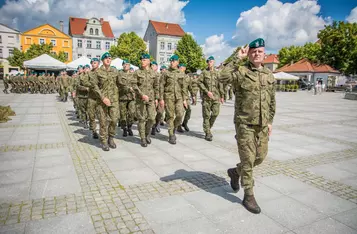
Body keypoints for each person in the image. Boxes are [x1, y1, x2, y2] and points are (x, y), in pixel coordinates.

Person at [219, 38, 276, 214]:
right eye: (253, 51)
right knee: (248, 160)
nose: (257, 54)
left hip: (262, 125)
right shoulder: (241, 72)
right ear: (249, 54)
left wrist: (270, 121)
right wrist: (237, 58)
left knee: (260, 157)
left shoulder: (269, 75)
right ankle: (249, 195)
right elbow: (221, 76)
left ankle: (236, 172)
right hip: (244, 124)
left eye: (260, 51)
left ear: (264, 53)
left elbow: (272, 100)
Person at [89, 52, 121, 151]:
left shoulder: (115, 71)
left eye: (110, 58)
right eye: (106, 58)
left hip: (114, 100)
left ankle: (111, 138)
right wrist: (103, 98)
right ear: (102, 60)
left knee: (114, 120)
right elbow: (94, 86)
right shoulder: (97, 72)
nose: (108, 60)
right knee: (103, 122)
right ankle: (103, 141)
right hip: (102, 101)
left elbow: (120, 83)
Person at [159, 55, 188, 144]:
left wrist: (185, 99)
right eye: (171, 61)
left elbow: (184, 87)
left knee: (180, 114)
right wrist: (161, 99)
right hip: (168, 97)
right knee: (170, 116)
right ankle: (171, 134)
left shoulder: (181, 73)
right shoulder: (166, 73)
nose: (172, 62)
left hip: (179, 97)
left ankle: (174, 127)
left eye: (174, 61)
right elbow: (161, 86)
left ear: (177, 62)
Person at [133, 54, 159, 147]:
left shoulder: (154, 73)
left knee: (152, 118)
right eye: (142, 60)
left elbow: (156, 86)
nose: (142, 61)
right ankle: (143, 138)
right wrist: (141, 95)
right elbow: (134, 85)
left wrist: (156, 98)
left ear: (148, 61)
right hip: (140, 99)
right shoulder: (137, 72)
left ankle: (147, 133)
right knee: (141, 119)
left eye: (144, 60)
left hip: (151, 99)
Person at [198, 56, 224, 141]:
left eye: (211, 61)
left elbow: (220, 85)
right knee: (206, 115)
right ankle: (207, 133)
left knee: (215, 113)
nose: (210, 63)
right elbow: (199, 82)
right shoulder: (204, 72)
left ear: (214, 62)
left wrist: (222, 96)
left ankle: (208, 127)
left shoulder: (217, 73)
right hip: (206, 97)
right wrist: (206, 91)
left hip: (216, 97)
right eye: (208, 62)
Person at [118, 59, 136, 137]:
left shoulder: (133, 75)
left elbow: (135, 84)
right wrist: (129, 88)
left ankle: (129, 126)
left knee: (132, 113)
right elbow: (120, 84)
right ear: (122, 65)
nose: (126, 66)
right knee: (122, 115)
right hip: (122, 97)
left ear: (129, 66)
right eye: (124, 64)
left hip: (131, 97)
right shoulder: (119, 74)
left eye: (127, 64)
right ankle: (124, 128)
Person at [84, 58, 100, 139]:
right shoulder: (89, 73)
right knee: (91, 115)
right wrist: (92, 85)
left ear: (98, 63)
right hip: (91, 97)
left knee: (101, 116)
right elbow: (84, 82)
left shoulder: (102, 72)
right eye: (92, 63)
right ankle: (94, 131)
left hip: (100, 98)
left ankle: (103, 131)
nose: (93, 64)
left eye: (95, 63)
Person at [177, 63, 191, 132]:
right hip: (179, 96)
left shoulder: (187, 77)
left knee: (189, 111)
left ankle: (184, 123)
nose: (180, 68)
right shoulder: (177, 76)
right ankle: (178, 125)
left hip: (186, 96)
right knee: (180, 112)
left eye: (181, 67)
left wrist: (193, 95)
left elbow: (190, 87)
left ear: (184, 68)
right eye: (179, 67)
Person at [151, 61, 164, 135]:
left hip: (160, 96)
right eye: (151, 66)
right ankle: (153, 127)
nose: (152, 67)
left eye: (154, 66)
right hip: (152, 97)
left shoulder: (160, 76)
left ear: (157, 67)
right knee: (152, 113)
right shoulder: (149, 75)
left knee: (160, 112)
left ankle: (156, 124)